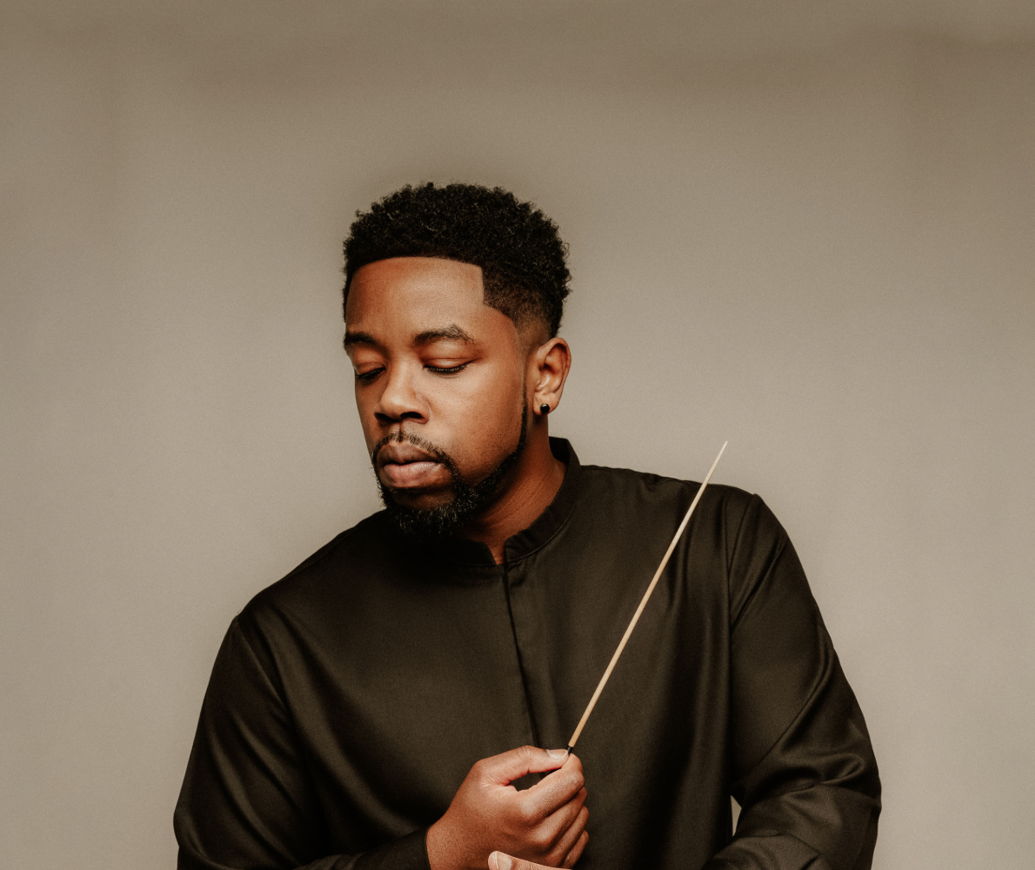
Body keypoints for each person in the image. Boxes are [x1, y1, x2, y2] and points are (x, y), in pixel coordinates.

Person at [175, 183, 880, 870]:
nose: (391, 398)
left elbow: (823, 795)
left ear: (545, 375)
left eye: (443, 363)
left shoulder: (714, 545)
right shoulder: (282, 642)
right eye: (367, 369)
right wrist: (441, 857)